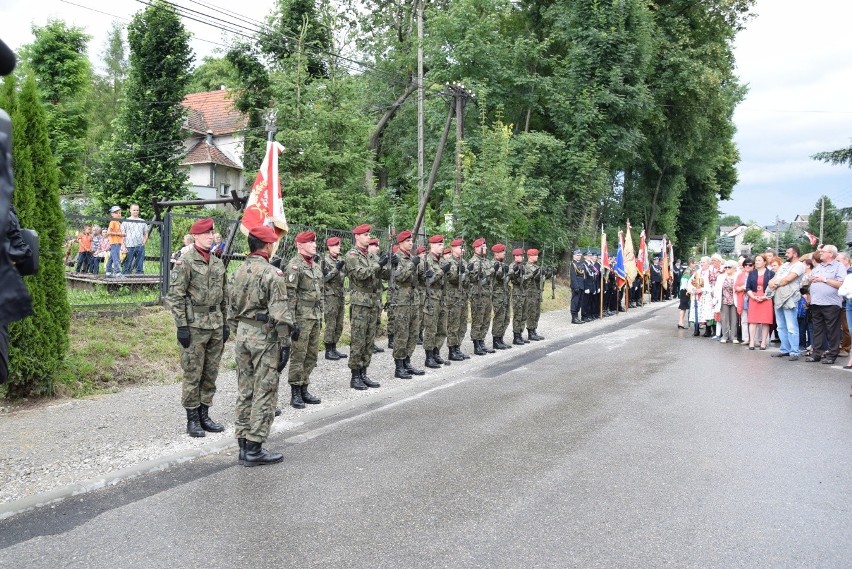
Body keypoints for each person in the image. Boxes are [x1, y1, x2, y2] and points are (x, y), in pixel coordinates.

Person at [227, 224, 294, 466]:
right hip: (265, 336)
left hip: (243, 333)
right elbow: (280, 313)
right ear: (267, 245)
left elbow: (231, 309)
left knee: (245, 390)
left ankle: (243, 444)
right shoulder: (271, 274)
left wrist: (240, 330)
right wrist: (285, 342)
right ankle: (255, 447)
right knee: (265, 390)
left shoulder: (238, 271)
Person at [165, 217, 229, 437]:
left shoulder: (217, 262)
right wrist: (181, 326)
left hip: (215, 325)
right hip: (194, 326)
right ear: (197, 236)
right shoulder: (186, 261)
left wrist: (226, 322)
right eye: (208, 234)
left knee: (210, 372)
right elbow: (175, 296)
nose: (212, 237)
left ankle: (205, 414)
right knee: (193, 373)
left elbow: (224, 296)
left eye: (213, 233)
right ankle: (192, 419)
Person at [284, 231, 323, 408]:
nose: (314, 245)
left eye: (314, 242)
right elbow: (290, 296)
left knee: (312, 354)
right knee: (299, 354)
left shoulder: (315, 266)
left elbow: (319, 293)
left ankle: (305, 386)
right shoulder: (294, 266)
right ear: (300, 245)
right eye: (310, 242)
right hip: (301, 317)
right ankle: (295, 391)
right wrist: (292, 322)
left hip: (314, 316)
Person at [345, 224, 384, 389]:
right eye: (366, 234)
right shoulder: (352, 255)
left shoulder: (371, 255)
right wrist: (378, 265)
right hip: (360, 302)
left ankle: (364, 373)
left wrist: (389, 264)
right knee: (359, 339)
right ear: (357, 237)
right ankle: (355, 376)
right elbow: (360, 274)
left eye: (369, 234)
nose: (369, 237)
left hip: (373, 300)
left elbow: (382, 274)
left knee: (369, 339)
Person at [389, 230, 425, 378]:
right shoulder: (396, 258)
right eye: (408, 241)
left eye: (412, 241)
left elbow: (416, 279)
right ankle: (399, 366)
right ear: (401, 243)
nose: (411, 243)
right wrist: (412, 265)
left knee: (413, 332)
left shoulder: (411, 257)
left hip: (413, 299)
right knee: (402, 333)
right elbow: (399, 277)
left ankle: (407, 361)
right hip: (402, 300)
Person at [806, 244, 845, 364]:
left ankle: (832, 355)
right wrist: (810, 279)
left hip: (831, 304)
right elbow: (810, 279)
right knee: (817, 330)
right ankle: (816, 353)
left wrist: (824, 279)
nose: (821, 253)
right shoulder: (818, 267)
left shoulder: (839, 266)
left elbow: (841, 283)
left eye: (823, 251)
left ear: (831, 254)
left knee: (832, 330)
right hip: (816, 303)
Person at [767, 245, 805, 361]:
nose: (786, 254)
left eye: (788, 253)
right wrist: (772, 283)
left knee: (791, 326)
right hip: (779, 297)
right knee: (781, 326)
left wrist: (776, 283)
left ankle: (794, 351)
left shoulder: (799, 265)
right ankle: (785, 349)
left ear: (795, 254)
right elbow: (774, 278)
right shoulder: (784, 265)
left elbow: (788, 279)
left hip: (790, 298)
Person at [422, 234, 450, 368]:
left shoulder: (442, 260)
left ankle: (436, 352)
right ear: (432, 245)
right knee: (430, 328)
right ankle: (429, 356)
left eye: (442, 244)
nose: (442, 246)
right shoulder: (427, 260)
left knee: (442, 328)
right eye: (439, 244)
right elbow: (430, 279)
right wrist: (441, 271)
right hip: (431, 297)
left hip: (442, 297)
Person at [468, 237, 495, 355]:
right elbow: (474, 279)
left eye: (485, 246)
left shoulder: (486, 261)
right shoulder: (473, 262)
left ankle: (482, 341)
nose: (486, 248)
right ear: (477, 248)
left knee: (486, 319)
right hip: (477, 294)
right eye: (483, 247)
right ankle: (476, 344)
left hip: (487, 294)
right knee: (478, 319)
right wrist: (491, 272)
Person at [322, 235, 348, 360]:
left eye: (338, 245)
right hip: (330, 295)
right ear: (329, 247)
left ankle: (334, 347)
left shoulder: (341, 260)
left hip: (340, 294)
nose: (338, 247)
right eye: (335, 245)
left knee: (339, 323)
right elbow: (324, 278)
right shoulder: (324, 261)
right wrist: (336, 269)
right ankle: (328, 350)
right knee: (331, 323)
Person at [445, 237, 470, 361]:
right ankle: (452, 349)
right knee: (453, 324)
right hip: (453, 297)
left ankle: (457, 347)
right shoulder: (449, 262)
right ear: (453, 249)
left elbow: (468, 281)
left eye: (463, 247)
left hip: (463, 297)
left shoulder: (464, 262)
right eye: (460, 247)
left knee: (462, 324)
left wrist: (467, 273)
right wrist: (460, 274)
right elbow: (452, 279)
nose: (463, 250)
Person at [745, 253, 774, 350]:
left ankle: (763, 342)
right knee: (753, 321)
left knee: (765, 321)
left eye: (759, 260)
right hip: (754, 298)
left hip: (766, 298)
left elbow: (773, 288)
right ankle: (752, 341)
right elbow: (747, 287)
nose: (757, 262)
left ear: (765, 262)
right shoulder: (752, 273)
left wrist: (765, 297)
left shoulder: (771, 273)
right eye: (756, 260)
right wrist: (753, 296)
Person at [489, 243, 513, 350]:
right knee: (499, 317)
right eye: (502, 252)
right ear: (496, 253)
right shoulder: (493, 264)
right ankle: (496, 340)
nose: (504, 253)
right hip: (497, 294)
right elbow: (499, 276)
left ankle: (501, 338)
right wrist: (505, 272)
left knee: (506, 317)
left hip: (505, 293)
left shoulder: (503, 264)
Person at [713, 260, 739, 343]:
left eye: (729, 267)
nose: (727, 269)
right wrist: (715, 300)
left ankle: (734, 337)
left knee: (734, 319)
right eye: (726, 267)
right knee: (724, 319)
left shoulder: (737, 276)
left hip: (735, 300)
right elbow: (716, 289)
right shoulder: (721, 277)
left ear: (734, 268)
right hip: (724, 300)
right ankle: (725, 336)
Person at [121, 204, 149, 275]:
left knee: (140, 263)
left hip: (140, 245)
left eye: (137, 210)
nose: (135, 211)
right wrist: (123, 246)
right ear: (130, 210)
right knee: (128, 263)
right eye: (134, 210)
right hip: (129, 245)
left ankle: (139, 277)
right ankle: (124, 277)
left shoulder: (142, 221)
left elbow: (146, 233)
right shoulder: (126, 221)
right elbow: (122, 235)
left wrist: (144, 243)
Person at [524, 248, 545, 340]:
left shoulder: (537, 267)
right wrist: (533, 275)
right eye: (535, 255)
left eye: (537, 255)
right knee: (531, 312)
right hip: (529, 292)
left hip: (537, 292)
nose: (537, 256)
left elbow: (540, 280)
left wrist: (546, 274)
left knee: (537, 313)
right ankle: (530, 332)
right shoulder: (526, 267)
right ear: (529, 256)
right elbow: (524, 279)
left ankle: (534, 329)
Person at [509, 248, 528, 343]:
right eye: (519, 255)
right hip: (517, 292)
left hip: (523, 291)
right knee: (518, 315)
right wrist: (516, 271)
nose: (521, 257)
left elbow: (525, 279)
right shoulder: (512, 266)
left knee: (524, 314)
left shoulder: (523, 266)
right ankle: (516, 336)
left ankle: (520, 333)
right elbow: (509, 277)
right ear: (515, 256)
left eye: (522, 256)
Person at [734, 258, 753, 344]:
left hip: (753, 299)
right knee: (744, 320)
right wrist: (742, 288)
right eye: (746, 265)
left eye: (750, 265)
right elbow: (736, 287)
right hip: (743, 299)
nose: (748, 266)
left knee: (754, 320)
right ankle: (746, 338)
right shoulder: (740, 275)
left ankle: (754, 338)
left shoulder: (755, 274)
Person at [105, 206, 124, 277]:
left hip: (118, 242)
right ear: (112, 214)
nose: (118, 214)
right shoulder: (112, 221)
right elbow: (108, 232)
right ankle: (118, 273)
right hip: (114, 242)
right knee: (116, 258)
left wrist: (122, 235)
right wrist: (120, 234)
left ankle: (108, 272)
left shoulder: (118, 222)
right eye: (116, 213)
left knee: (112, 258)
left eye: (119, 213)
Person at [569, 249, 585, 324]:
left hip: (581, 285)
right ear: (574, 256)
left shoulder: (581, 263)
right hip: (576, 285)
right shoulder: (573, 264)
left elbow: (583, 275)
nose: (579, 256)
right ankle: (574, 317)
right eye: (577, 255)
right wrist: (576, 287)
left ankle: (577, 316)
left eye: (579, 255)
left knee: (579, 301)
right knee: (575, 301)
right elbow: (573, 276)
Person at [677, 258, 693, 329]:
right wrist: (689, 290)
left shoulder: (689, 270)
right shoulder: (687, 271)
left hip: (686, 290)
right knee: (683, 307)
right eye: (694, 263)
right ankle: (680, 322)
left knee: (684, 307)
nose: (695, 264)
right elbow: (684, 282)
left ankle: (681, 322)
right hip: (685, 291)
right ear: (691, 263)